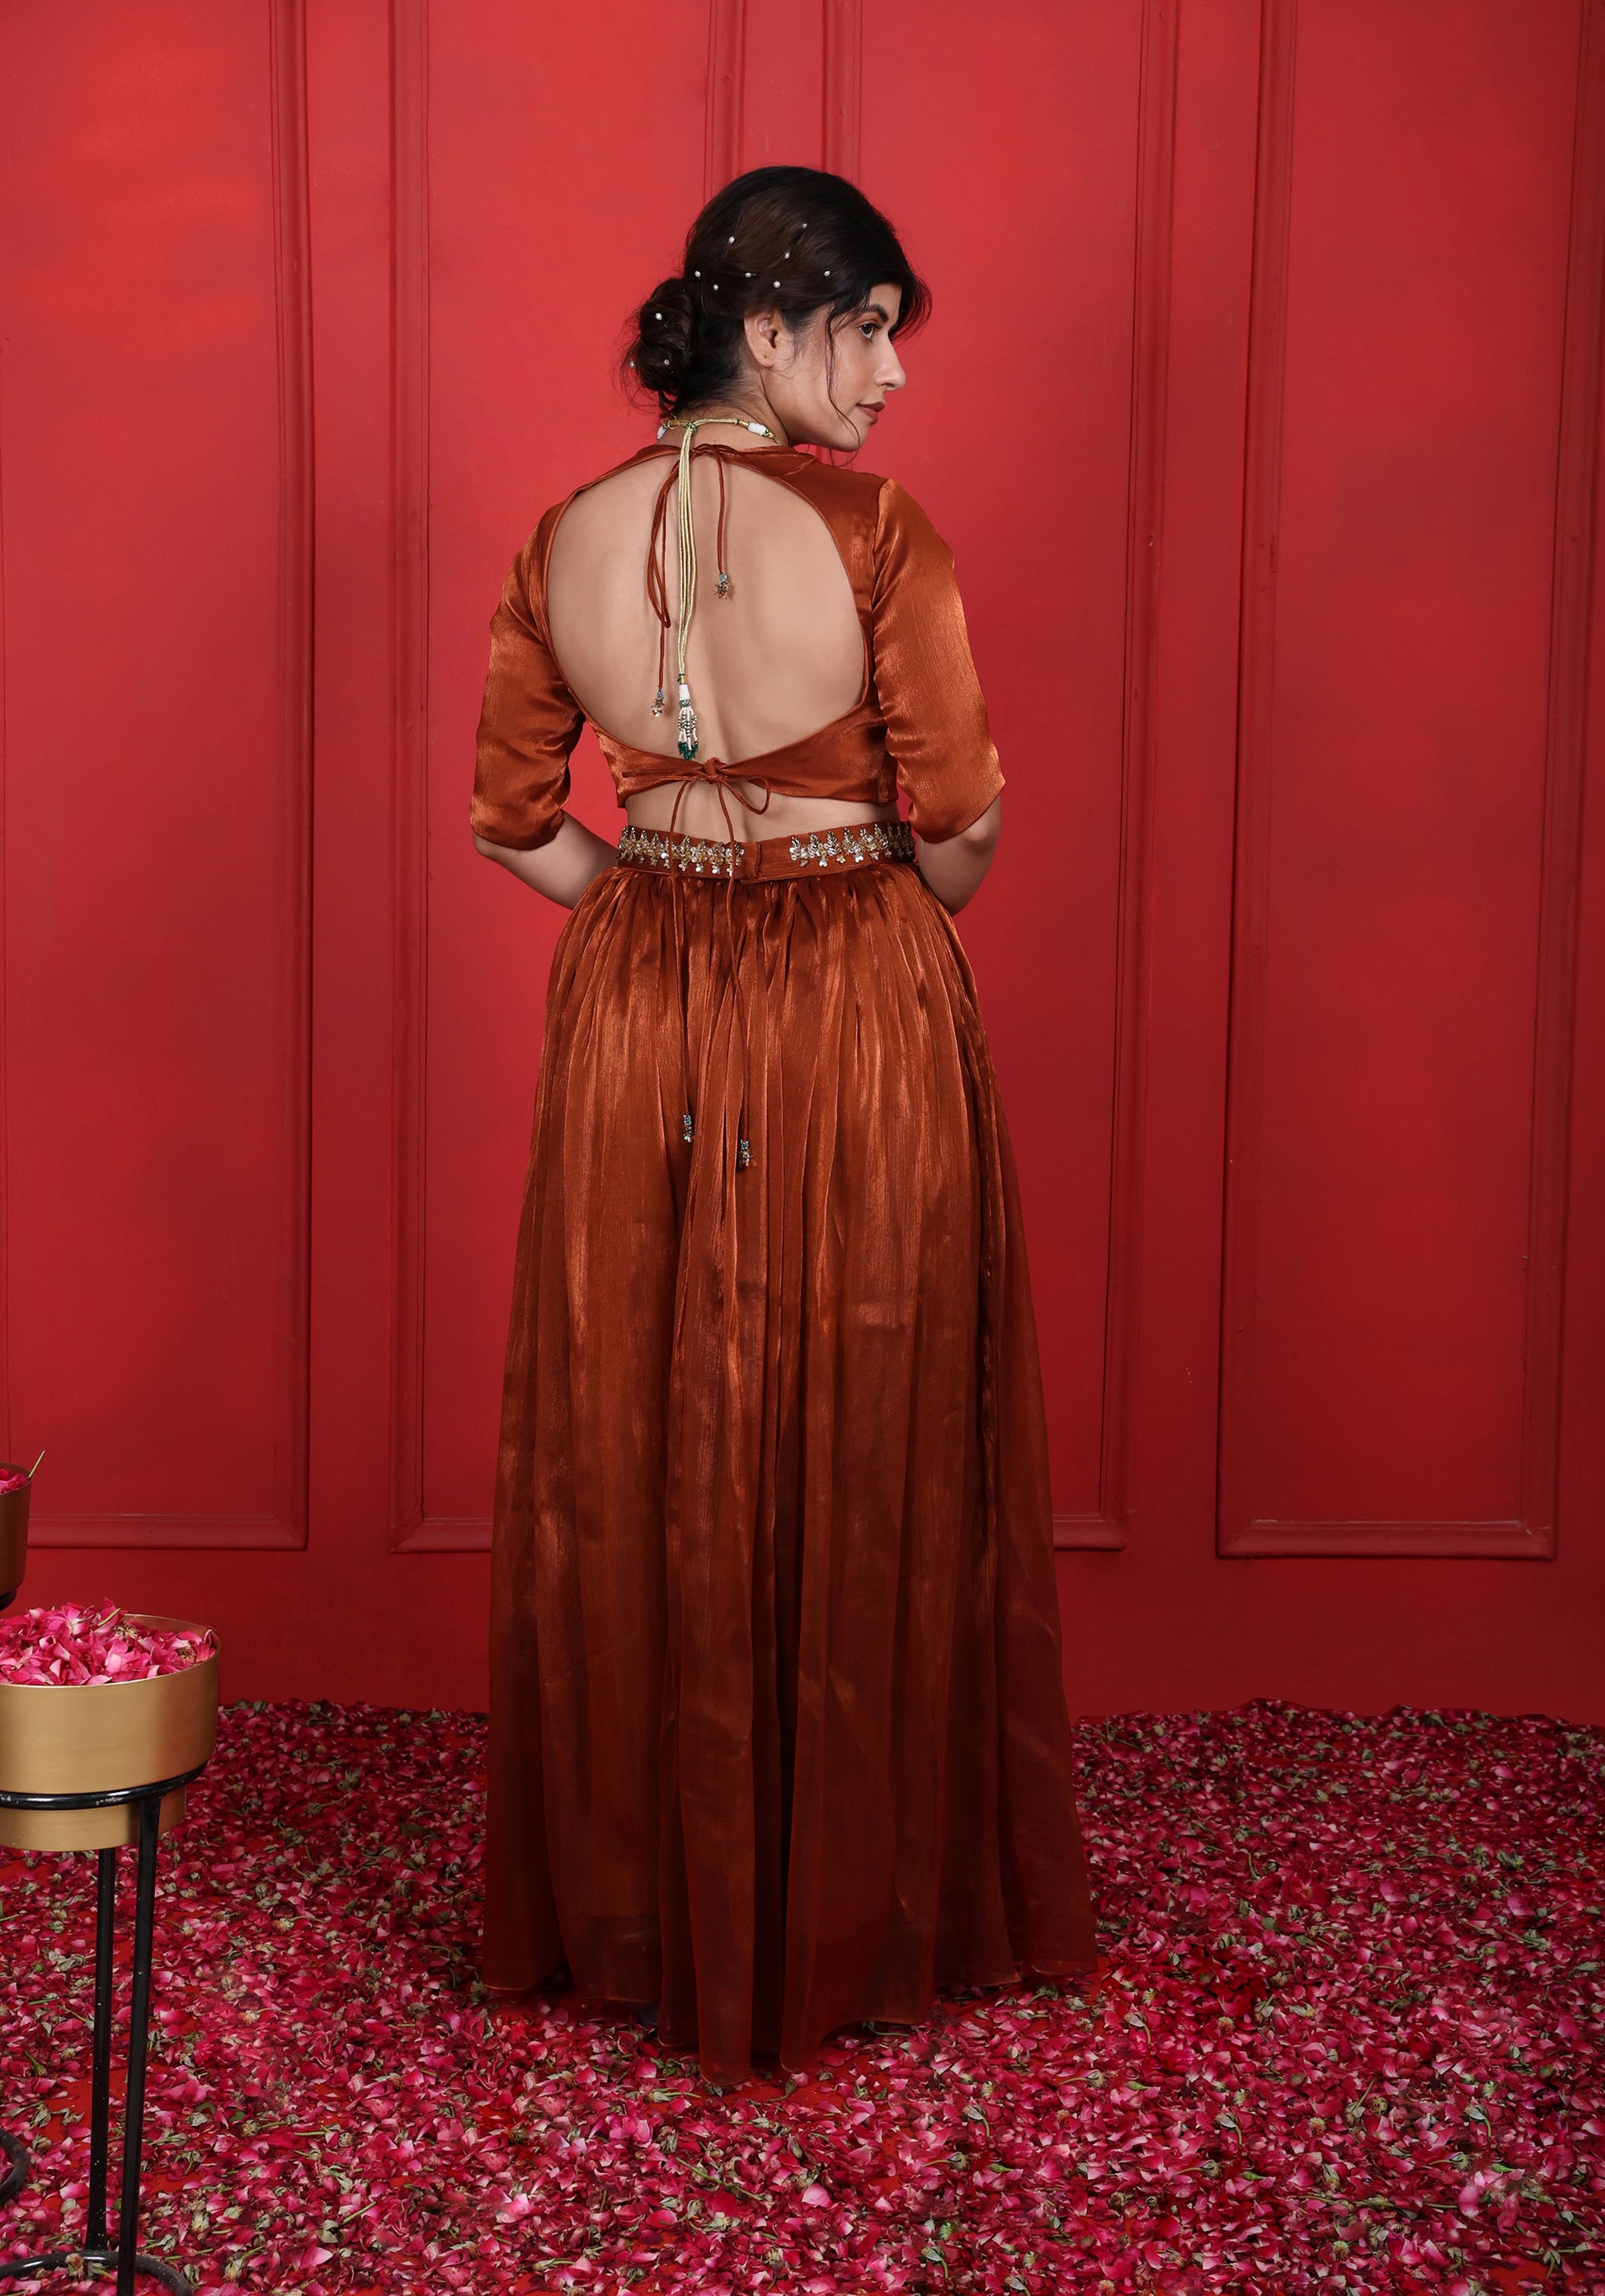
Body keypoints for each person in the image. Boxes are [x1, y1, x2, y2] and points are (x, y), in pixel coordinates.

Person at [471, 164, 1098, 2088]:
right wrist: (847, 919)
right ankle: (846, 1899)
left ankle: (644, 1901)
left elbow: (513, 821)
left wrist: (660, 920)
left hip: (635, 1003)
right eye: (869, 329)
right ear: (768, 329)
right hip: (852, 994)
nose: (891, 374)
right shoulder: (878, 533)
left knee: (646, 1410)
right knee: (864, 1404)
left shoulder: (562, 535)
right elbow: (962, 826)